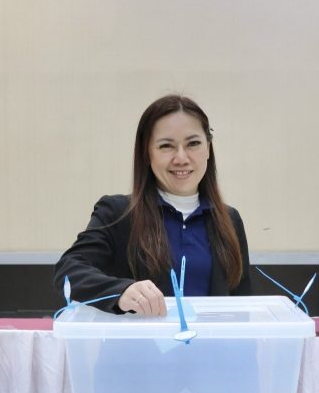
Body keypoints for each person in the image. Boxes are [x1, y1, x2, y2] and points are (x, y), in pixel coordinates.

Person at [54, 94, 251, 315]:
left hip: (210, 340)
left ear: (208, 148)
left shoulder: (229, 219)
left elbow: (242, 305)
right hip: (136, 339)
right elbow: (69, 270)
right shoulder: (117, 213)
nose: (181, 158)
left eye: (193, 143)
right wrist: (121, 291)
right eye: (166, 146)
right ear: (147, 153)